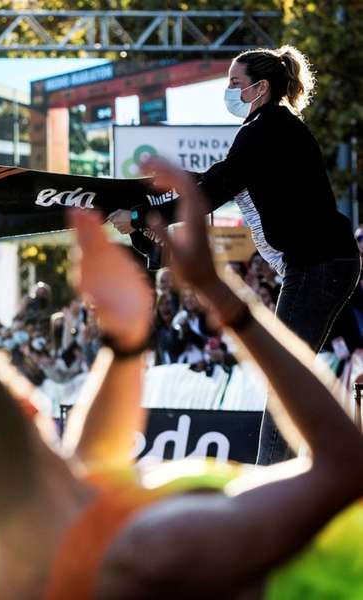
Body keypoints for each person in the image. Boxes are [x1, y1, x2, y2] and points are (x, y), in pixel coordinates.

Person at [0, 159, 363, 599]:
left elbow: (87, 468)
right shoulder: (156, 548)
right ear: (29, 404)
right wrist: (222, 295)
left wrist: (124, 341)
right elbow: (345, 465)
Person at [108, 45, 361, 464]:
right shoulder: (271, 127)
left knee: (284, 377)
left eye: (234, 83)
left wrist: (140, 216)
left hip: (319, 264)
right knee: (288, 374)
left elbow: (209, 193)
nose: (228, 90)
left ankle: (275, 475)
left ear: (259, 88)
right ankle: (302, 466)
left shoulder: (265, 130)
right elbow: (213, 181)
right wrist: (155, 199)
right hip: (323, 262)